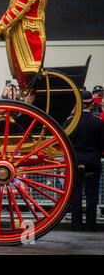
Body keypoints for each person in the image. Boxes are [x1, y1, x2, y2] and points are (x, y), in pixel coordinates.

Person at [69, 91, 104, 232]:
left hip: (76, 160)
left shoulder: (71, 122)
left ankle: (76, 224)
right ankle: (91, 225)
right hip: (93, 160)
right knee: (92, 194)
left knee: (76, 194)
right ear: (91, 104)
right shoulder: (98, 122)